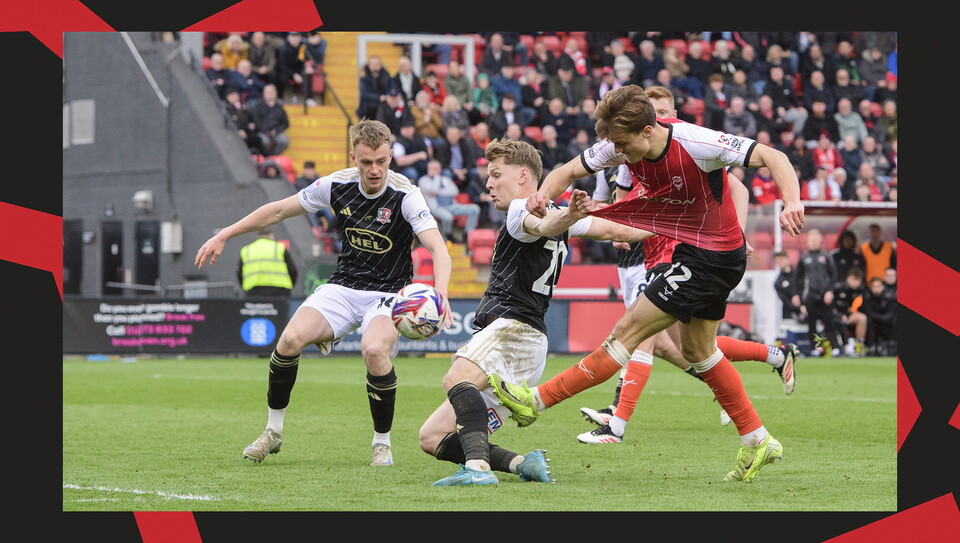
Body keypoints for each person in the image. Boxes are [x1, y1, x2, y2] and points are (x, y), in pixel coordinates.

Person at [489, 84, 804, 482]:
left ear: (648, 130)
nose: (618, 155)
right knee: (698, 351)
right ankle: (758, 439)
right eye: (613, 146)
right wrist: (540, 195)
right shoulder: (620, 145)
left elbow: (773, 155)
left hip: (714, 257)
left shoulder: (696, 142)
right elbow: (568, 170)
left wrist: (791, 200)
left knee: (628, 331)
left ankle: (537, 400)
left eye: (624, 145)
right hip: (695, 251)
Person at [194, 119, 453, 467]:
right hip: (343, 286)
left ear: (391, 156)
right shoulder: (336, 185)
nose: (374, 170)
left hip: (390, 293)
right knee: (288, 340)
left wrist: (441, 293)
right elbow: (278, 210)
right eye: (366, 162)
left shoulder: (406, 193)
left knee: (374, 350)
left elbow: (438, 248)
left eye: (381, 161)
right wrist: (226, 233)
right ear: (353, 157)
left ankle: (381, 444)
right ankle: (273, 432)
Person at [419, 137, 654, 486]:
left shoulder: (519, 210)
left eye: (496, 174)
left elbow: (541, 226)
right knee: (432, 436)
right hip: (529, 349)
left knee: (456, 378)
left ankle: (478, 470)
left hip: (513, 330)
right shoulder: (560, 215)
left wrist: (567, 216)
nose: (488, 183)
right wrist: (680, 229)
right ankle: (521, 464)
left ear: (523, 175)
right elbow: (612, 230)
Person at [576, 87, 797, 442]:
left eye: (664, 111)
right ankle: (768, 360)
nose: (659, 118)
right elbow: (612, 203)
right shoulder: (621, 156)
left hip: (680, 250)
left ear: (668, 116)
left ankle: (616, 423)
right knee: (678, 347)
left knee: (641, 336)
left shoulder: (691, 148)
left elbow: (736, 188)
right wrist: (600, 218)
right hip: (636, 252)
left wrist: (736, 233)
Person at [793, 228, 840, 356]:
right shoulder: (804, 257)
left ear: (821, 241)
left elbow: (834, 275)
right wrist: (797, 294)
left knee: (829, 321)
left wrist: (830, 291)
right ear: (808, 241)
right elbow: (798, 278)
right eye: (811, 240)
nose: (814, 242)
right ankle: (815, 348)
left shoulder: (826, 256)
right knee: (811, 323)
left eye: (816, 239)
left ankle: (834, 347)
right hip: (811, 294)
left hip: (825, 295)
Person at [418, 159, 480, 241]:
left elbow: (455, 191)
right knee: (448, 217)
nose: (432, 171)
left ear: (440, 170)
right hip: (437, 207)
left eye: (435, 169)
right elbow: (433, 190)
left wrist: (438, 192)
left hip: (452, 205)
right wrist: (437, 178)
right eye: (431, 168)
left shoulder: (446, 179)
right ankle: (448, 236)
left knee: (475, 209)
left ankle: (467, 234)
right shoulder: (423, 180)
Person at [237, 227, 298, 298]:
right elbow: (292, 270)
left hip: (253, 292)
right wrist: (290, 286)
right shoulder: (279, 248)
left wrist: (245, 288)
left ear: (258, 236)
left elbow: (239, 273)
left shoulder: (246, 250)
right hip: (279, 292)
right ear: (271, 235)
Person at [832, 266, 867, 357]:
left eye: (858, 280)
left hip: (849, 315)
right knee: (836, 320)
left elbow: (855, 307)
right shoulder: (837, 288)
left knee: (862, 318)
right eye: (854, 279)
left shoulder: (860, 291)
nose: (856, 283)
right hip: (836, 315)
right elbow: (831, 306)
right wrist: (840, 315)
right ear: (848, 278)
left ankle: (858, 346)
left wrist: (848, 314)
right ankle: (842, 346)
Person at [276, 32, 318, 106]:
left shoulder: (303, 47)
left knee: (308, 74)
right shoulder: (283, 49)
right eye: (293, 37)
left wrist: (307, 67)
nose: (295, 39)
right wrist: (293, 74)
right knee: (280, 77)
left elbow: (309, 58)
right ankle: (280, 98)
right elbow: (282, 65)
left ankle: (308, 98)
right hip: (287, 71)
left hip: (298, 70)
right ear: (288, 37)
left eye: (297, 37)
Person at [248, 84, 290, 156]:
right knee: (264, 141)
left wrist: (276, 130)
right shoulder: (258, 106)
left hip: (276, 132)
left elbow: (285, 123)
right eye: (268, 92)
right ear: (264, 94)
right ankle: (265, 156)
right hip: (262, 131)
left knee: (285, 141)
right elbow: (256, 120)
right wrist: (265, 130)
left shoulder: (279, 107)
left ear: (276, 93)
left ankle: (273, 156)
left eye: (272, 92)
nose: (270, 94)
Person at [860, 276, 897, 356]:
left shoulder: (890, 296)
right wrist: (880, 318)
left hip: (886, 320)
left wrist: (882, 318)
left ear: (883, 287)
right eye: (874, 286)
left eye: (878, 286)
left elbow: (890, 313)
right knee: (867, 321)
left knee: (893, 320)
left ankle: (890, 345)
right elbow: (867, 312)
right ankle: (870, 346)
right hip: (873, 319)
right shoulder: (867, 297)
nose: (876, 289)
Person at [434, 125, 477, 191]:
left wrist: (465, 170)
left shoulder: (465, 145)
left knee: (475, 173)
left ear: (459, 135)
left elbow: (470, 160)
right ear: (447, 136)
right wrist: (455, 171)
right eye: (450, 134)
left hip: (463, 170)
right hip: (451, 171)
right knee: (446, 173)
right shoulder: (442, 146)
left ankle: (472, 193)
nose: (452, 137)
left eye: (455, 134)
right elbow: (442, 164)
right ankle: (449, 193)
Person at [224, 87, 264, 155]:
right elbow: (227, 123)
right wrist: (237, 131)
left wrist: (252, 124)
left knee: (257, 138)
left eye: (235, 94)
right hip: (235, 132)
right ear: (227, 97)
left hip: (247, 131)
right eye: (231, 95)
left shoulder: (244, 107)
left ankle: (260, 157)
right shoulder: (227, 109)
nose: (234, 97)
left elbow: (252, 119)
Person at [356, 54, 393, 122]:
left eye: (376, 64)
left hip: (382, 107)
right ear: (369, 65)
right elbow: (364, 94)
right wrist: (379, 97)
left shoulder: (386, 76)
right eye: (372, 64)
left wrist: (388, 96)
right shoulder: (364, 77)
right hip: (367, 109)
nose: (374, 66)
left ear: (380, 65)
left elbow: (391, 88)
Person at [774, 250, 803, 320]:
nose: (781, 262)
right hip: (789, 315)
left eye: (782, 259)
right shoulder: (778, 283)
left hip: (807, 310)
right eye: (778, 261)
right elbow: (786, 301)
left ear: (787, 258)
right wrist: (799, 308)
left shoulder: (799, 274)